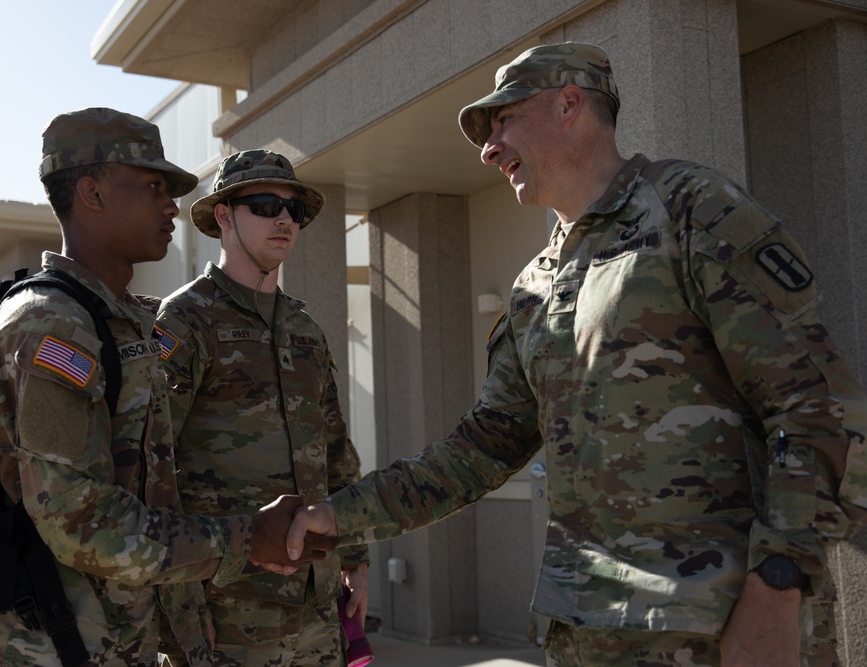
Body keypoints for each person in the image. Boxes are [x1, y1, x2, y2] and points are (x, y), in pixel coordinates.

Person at [281, 42, 867, 666]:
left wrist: (777, 592)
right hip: (587, 632)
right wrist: (338, 516)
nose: (488, 147)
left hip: (719, 628)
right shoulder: (537, 284)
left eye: (503, 119)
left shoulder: (692, 209)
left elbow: (817, 407)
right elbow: (479, 451)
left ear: (570, 103)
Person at [0, 109, 331, 667]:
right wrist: (248, 537)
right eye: (154, 186)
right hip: (45, 647)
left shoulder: (122, 321)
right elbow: (81, 522)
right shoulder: (50, 326)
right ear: (92, 193)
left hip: (112, 640)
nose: (171, 206)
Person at [155, 149, 370, 667]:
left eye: (294, 210)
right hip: (224, 609)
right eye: (266, 204)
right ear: (223, 215)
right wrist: (178, 605)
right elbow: (153, 468)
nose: (283, 219)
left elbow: (336, 451)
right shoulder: (185, 320)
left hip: (315, 608)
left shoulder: (305, 329)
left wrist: (357, 555)